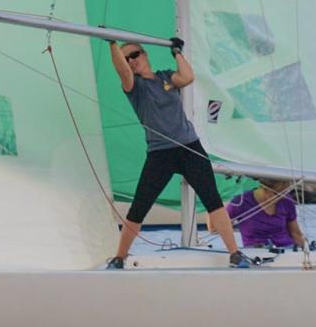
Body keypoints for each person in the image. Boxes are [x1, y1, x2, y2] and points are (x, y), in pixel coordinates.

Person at [107, 36, 249, 269]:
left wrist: (177, 52)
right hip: (159, 153)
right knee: (139, 207)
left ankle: (235, 253)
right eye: (127, 58)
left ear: (145, 55)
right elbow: (122, 71)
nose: (131, 61)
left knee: (212, 200)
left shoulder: (165, 77)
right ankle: (119, 257)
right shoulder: (134, 87)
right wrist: (112, 44)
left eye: (135, 55)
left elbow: (188, 77)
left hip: (189, 147)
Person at [226, 179, 306, 248]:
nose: (282, 197)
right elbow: (217, 225)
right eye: (277, 194)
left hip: (287, 250)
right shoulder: (240, 202)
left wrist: (306, 251)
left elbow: (296, 234)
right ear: (264, 188)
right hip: (255, 253)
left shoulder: (286, 200)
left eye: (284, 193)